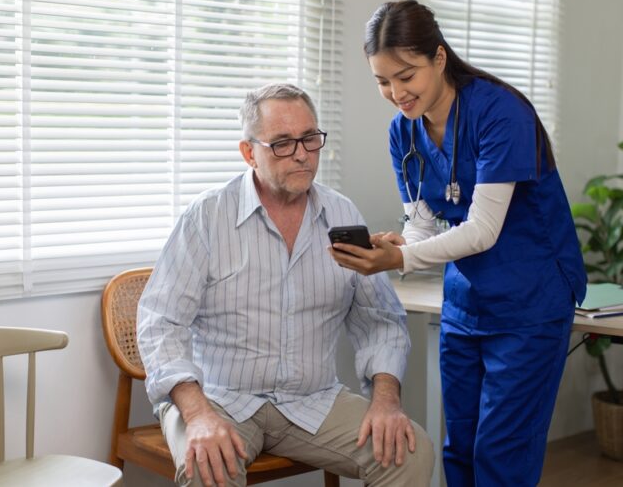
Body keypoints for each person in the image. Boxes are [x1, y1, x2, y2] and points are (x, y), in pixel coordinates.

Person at [328, 0, 587, 487]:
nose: (396, 93)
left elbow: (482, 230)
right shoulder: (402, 132)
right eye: (383, 81)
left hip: (530, 302)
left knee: (501, 451)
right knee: (460, 448)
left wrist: (400, 257)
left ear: (439, 59)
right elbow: (425, 222)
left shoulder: (499, 112)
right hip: (467, 305)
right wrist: (397, 242)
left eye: (407, 76)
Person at [137, 83, 434, 487]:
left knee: (409, 449)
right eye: (281, 143)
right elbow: (161, 322)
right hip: (220, 399)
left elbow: (379, 318)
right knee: (209, 468)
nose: (301, 153)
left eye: (310, 139)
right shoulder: (206, 217)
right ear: (249, 153)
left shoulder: (341, 213)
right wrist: (197, 414)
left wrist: (386, 400)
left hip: (311, 402)